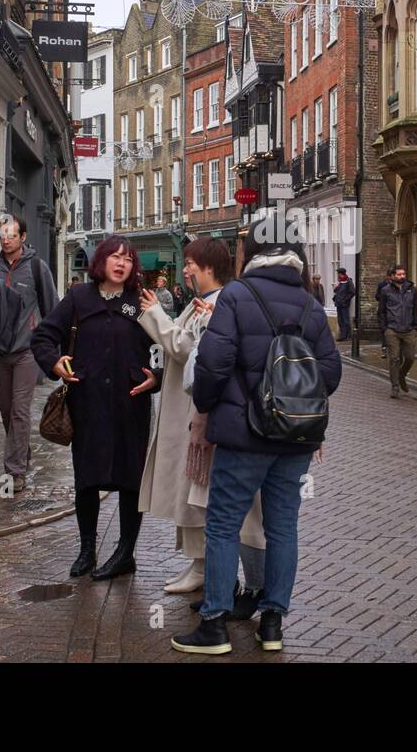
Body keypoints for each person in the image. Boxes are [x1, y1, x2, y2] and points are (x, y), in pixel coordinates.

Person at [171, 234, 341, 656]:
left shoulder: (237, 296)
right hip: (293, 439)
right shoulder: (311, 306)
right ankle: (272, 623)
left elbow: (212, 363)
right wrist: (292, 403)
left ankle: (213, 625)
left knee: (223, 524)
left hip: (243, 437)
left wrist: (213, 407)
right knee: (283, 529)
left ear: (254, 261)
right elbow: (330, 373)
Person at [138, 237, 267, 611]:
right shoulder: (204, 304)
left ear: (208, 267)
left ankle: (220, 579)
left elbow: (189, 350)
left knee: (204, 497)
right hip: (189, 413)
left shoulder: (219, 305)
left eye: (191, 263)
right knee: (192, 495)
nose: (186, 269)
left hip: (203, 417)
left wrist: (156, 316)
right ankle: (201, 567)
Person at [31, 236, 159, 579]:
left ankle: (125, 552)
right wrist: (55, 362)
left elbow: (170, 345)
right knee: (86, 480)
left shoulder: (141, 301)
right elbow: (42, 336)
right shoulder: (77, 298)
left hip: (131, 402)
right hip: (87, 402)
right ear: (101, 261)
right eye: (115, 257)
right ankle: (87, 548)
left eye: (128, 259)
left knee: (131, 480)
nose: (121, 264)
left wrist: (157, 377)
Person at [0, 216, 57, 494]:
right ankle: (21, 450)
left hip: (26, 350)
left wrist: (50, 347)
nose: (6, 239)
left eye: (11, 235)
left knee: (19, 410)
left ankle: (15, 472)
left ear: (23, 236)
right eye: (2, 235)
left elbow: (51, 307)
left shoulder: (36, 267)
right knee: (6, 410)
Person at [377, 266, 417, 398]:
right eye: (399, 274)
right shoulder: (385, 291)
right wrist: (385, 329)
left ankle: (401, 375)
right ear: (393, 276)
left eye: (404, 274)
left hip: (408, 329)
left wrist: (416, 326)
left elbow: (415, 309)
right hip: (392, 330)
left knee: (410, 357)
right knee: (394, 358)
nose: (402, 276)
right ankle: (395, 386)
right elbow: (381, 311)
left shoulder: (412, 289)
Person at [333, 268, 355, 341]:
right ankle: (342, 335)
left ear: (340, 273)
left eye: (338, 273)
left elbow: (352, 292)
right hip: (338, 303)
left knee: (345, 320)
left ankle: (347, 335)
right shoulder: (341, 281)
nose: (338, 275)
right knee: (340, 320)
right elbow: (336, 291)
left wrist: (345, 300)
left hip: (344, 304)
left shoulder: (348, 281)